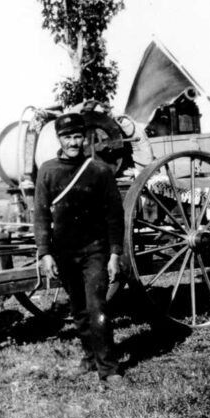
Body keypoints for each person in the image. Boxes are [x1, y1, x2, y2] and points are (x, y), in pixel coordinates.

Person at [34, 113, 126, 387]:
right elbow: (40, 214)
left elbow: (114, 215)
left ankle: (108, 369)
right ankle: (89, 357)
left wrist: (115, 253)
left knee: (97, 307)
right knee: (79, 309)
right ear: (59, 139)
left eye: (77, 136)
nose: (73, 142)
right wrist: (45, 252)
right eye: (67, 137)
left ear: (85, 138)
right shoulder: (48, 171)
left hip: (95, 250)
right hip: (64, 252)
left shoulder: (99, 170)